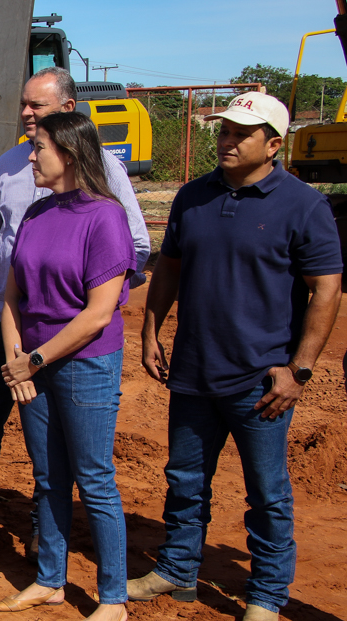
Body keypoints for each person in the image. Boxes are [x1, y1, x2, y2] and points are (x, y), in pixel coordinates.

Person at [0, 66, 150, 563]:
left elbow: (135, 245)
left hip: (68, 338)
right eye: (24, 104)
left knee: (58, 446)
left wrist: (96, 305)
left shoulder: (104, 172)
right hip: (6, 325)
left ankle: (45, 533)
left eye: (38, 106)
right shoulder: (9, 164)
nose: (25, 113)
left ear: (68, 112)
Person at [132, 92, 342, 621]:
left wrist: (299, 369)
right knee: (184, 478)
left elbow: (326, 289)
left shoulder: (303, 205)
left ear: (273, 145)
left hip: (261, 379)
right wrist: (152, 331)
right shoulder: (192, 196)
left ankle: (267, 594)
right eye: (224, 131)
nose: (226, 140)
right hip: (194, 368)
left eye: (241, 134)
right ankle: (178, 566)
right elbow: (170, 269)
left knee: (267, 494)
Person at [0, 111, 133, 620]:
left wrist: (31, 360)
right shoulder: (35, 214)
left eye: (41, 148)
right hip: (32, 364)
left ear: (70, 155)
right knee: (49, 476)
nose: (30, 156)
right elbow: (12, 295)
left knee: (94, 478)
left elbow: (98, 314)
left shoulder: (106, 216)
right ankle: (51, 580)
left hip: (84, 365)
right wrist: (15, 359)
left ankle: (113, 599)